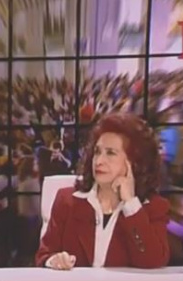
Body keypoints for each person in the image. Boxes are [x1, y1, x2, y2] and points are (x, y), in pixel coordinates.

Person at [36, 112, 170, 270]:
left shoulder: (153, 207)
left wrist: (130, 204)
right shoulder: (66, 201)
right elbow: (43, 256)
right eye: (97, 152)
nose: (99, 161)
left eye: (110, 153)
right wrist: (54, 260)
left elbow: (153, 261)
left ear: (135, 162)